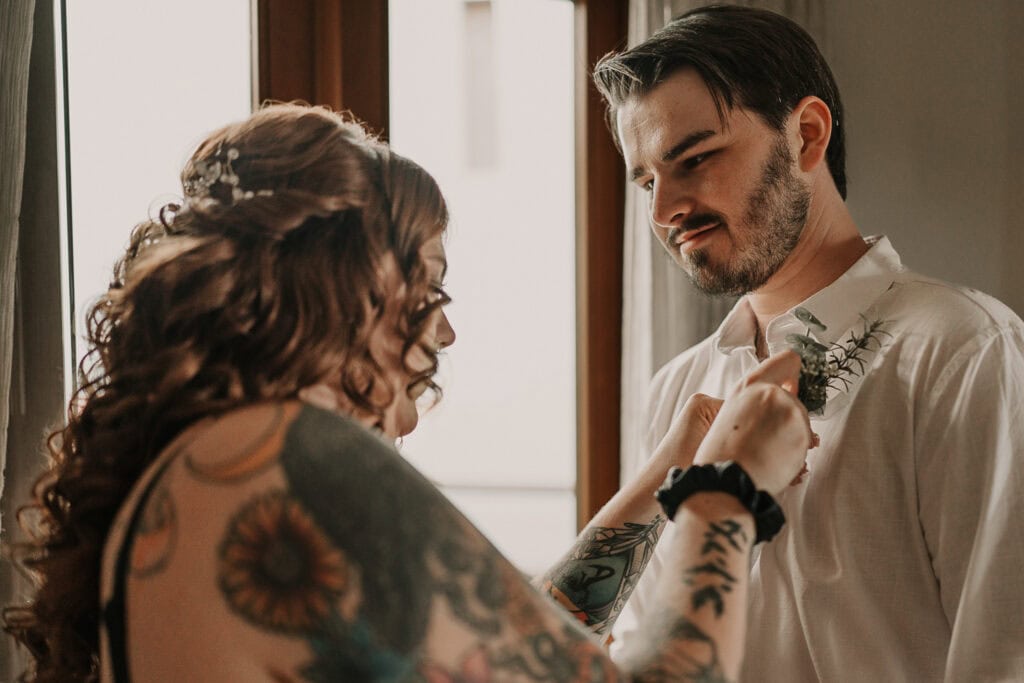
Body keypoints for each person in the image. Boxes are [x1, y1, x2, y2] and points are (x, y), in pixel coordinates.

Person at [3, 102, 813, 682]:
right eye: (428, 286)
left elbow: (514, 650)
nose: (444, 333)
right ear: (346, 286)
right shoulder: (289, 459)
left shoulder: (210, 463)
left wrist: (669, 471)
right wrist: (727, 490)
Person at [593, 4, 1024, 681]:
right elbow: (654, 645)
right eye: (646, 180)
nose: (662, 210)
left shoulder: (964, 354)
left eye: (695, 158)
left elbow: (1003, 652)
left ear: (808, 135)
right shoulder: (675, 392)